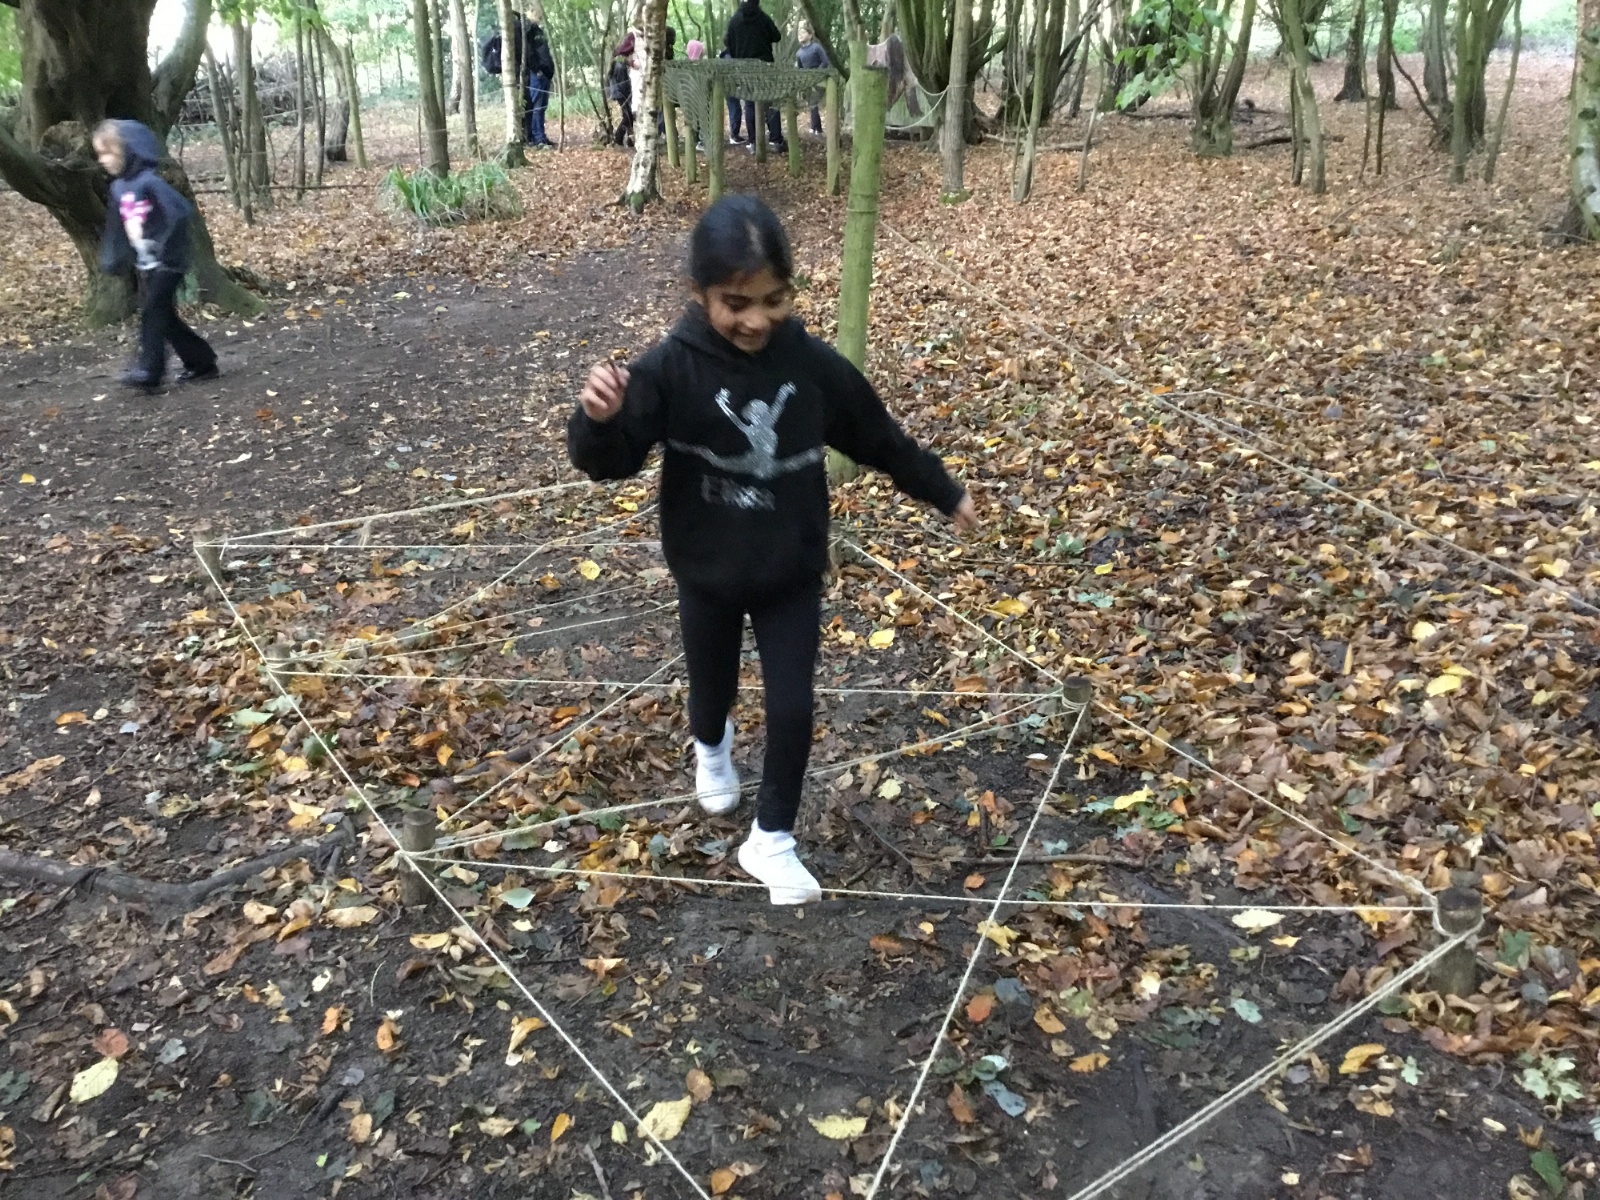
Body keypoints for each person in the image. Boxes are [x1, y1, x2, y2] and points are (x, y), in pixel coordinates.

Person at [567, 197, 978, 905]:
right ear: (699, 294)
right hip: (707, 570)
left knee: (792, 706)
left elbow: (877, 436)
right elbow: (611, 461)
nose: (756, 320)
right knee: (712, 691)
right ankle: (712, 749)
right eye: (736, 303)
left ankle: (772, 839)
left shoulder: (811, 367)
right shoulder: (669, 368)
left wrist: (941, 490)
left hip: (791, 568)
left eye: (773, 300)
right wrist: (598, 420)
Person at [93, 120, 217, 392]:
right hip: (146, 263)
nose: (102, 160)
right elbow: (116, 227)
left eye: (107, 152)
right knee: (165, 317)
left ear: (127, 150)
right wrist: (115, 258)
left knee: (152, 312)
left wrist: (165, 247)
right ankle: (202, 361)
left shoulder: (149, 182)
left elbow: (179, 212)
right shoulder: (118, 188)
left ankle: (150, 370)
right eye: (99, 154)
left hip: (169, 262)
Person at [723, 0, 785, 152]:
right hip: (765, 66)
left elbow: (728, 43)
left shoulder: (734, 21)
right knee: (770, 101)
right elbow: (776, 36)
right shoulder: (763, 18)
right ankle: (775, 140)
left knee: (750, 103)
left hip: (744, 68)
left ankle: (754, 142)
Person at [523, 11, 557, 148]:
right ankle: (537, 138)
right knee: (536, 107)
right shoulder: (529, 30)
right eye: (535, 11)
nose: (539, 15)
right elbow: (528, 53)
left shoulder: (539, 31)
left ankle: (541, 136)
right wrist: (537, 70)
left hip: (546, 74)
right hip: (537, 75)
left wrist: (548, 71)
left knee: (542, 107)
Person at [795, 23, 828, 137]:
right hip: (807, 81)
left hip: (820, 79)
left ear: (810, 35)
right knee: (811, 103)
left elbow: (825, 62)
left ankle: (815, 128)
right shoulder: (799, 53)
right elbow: (800, 69)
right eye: (799, 33)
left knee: (813, 102)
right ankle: (816, 128)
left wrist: (816, 74)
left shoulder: (816, 47)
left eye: (803, 32)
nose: (800, 35)